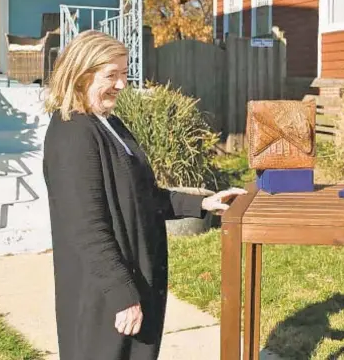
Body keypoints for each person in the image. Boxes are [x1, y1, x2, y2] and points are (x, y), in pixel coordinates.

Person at [43, 30, 247, 360]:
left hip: (134, 277)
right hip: (101, 294)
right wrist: (121, 293)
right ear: (81, 75)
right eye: (112, 75)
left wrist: (202, 203)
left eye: (125, 74)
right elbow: (85, 228)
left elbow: (143, 195)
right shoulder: (73, 135)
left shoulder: (108, 123)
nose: (122, 84)